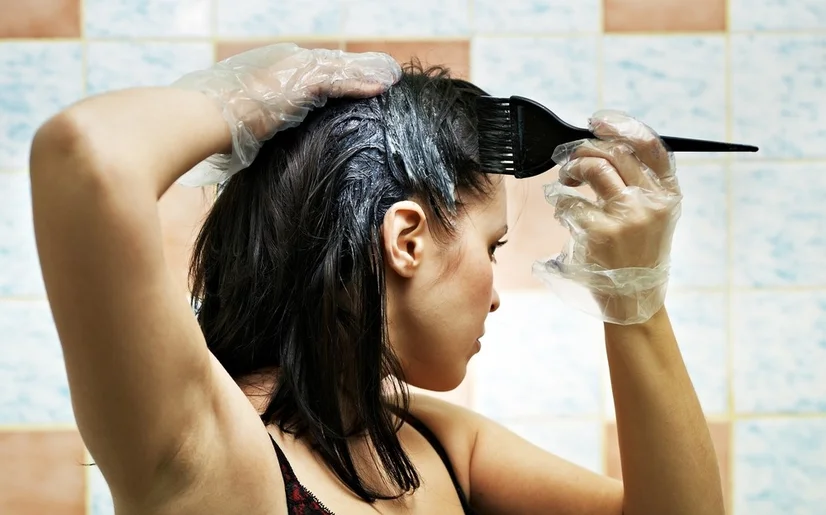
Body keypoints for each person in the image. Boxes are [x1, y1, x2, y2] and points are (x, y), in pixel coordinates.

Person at [29, 43, 724, 515]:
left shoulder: (435, 444)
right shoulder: (208, 447)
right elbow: (84, 156)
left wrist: (634, 296)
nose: (495, 293)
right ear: (407, 239)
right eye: (493, 246)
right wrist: (235, 102)